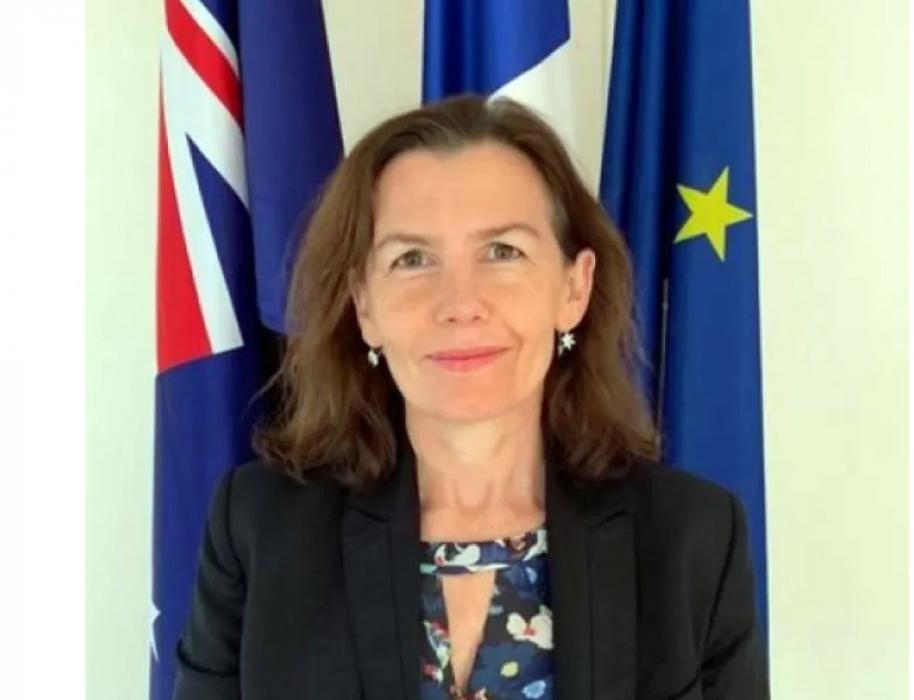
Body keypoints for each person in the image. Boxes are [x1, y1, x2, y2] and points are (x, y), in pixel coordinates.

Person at [172, 94, 770, 700]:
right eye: (412, 259)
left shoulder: (693, 540)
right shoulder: (257, 530)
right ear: (364, 304)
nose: (460, 303)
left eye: (502, 252)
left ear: (574, 288)